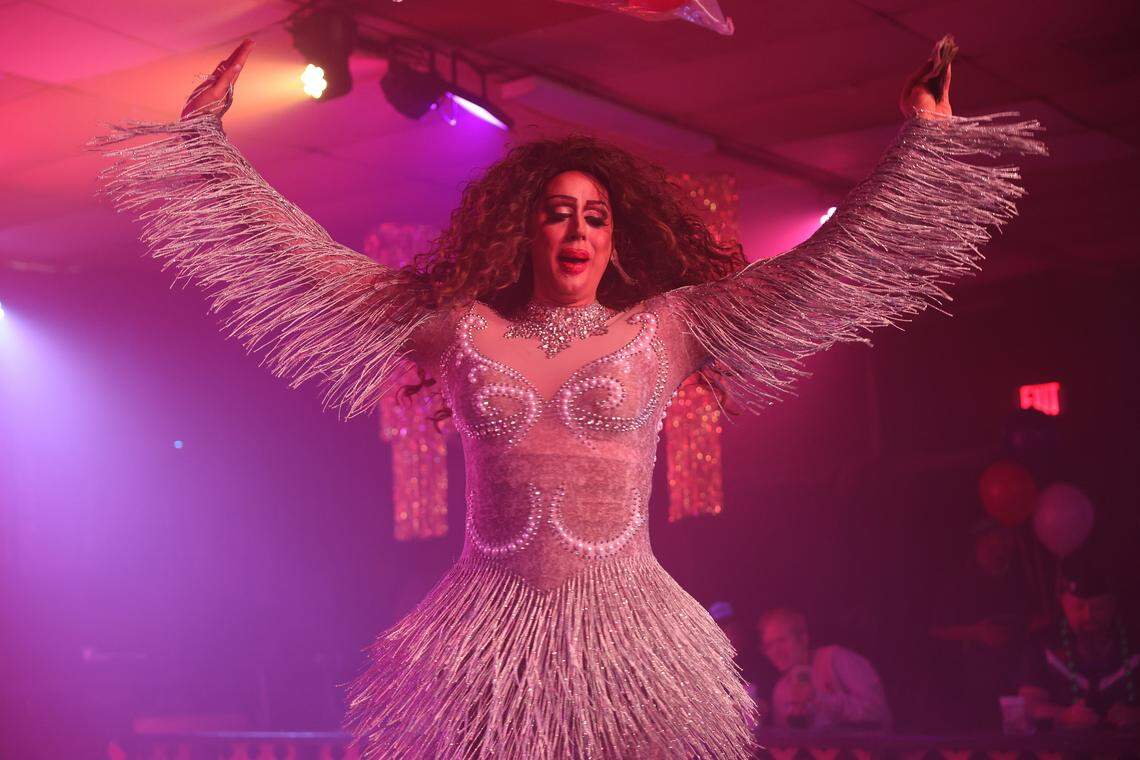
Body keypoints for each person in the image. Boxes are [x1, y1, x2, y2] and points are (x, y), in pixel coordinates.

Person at [87, 32, 1043, 759]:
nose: (577, 229)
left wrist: (922, 147)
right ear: (526, 231)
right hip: (488, 641)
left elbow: (827, 271)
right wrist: (207, 153)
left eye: (595, 216)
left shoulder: (666, 328)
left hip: (634, 640)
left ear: (616, 240)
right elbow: (310, 271)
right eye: (557, 213)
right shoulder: (462, 328)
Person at [927, 517, 1033, 729]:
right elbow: (934, 630)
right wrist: (976, 633)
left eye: (1008, 537)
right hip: (968, 682)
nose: (1004, 543)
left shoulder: (1022, 578)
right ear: (981, 541)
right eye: (999, 536)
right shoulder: (957, 581)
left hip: (1013, 677)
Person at [1017, 556, 1140, 731]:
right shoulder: (1044, 644)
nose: (1089, 617)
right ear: (1064, 604)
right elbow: (1028, 705)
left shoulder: (1135, 643)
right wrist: (1064, 715)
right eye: (1079, 608)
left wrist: (1135, 714)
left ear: (1113, 604)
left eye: (1098, 608)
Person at [759, 608, 892, 731]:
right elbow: (785, 747)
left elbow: (876, 710)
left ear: (803, 638)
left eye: (782, 640)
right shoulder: (781, 690)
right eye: (769, 645)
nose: (775, 651)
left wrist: (819, 699)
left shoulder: (836, 659)